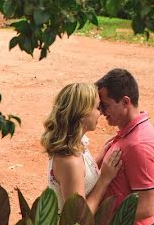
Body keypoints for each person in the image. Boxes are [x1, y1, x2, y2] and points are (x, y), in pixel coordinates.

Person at [95, 68, 154, 225]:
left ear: (125, 102)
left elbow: (146, 207)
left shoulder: (140, 145)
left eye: (105, 105)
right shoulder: (128, 135)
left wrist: (100, 215)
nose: (102, 111)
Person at [43, 82, 122, 213]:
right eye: (98, 107)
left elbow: (80, 179)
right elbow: (80, 218)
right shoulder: (70, 162)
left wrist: (98, 160)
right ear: (82, 114)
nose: (101, 112)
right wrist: (104, 179)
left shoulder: (75, 143)